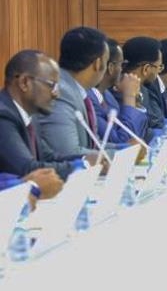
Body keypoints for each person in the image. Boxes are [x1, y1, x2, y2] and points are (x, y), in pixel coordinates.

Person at [0, 50, 98, 180]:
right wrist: (83, 166)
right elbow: (27, 169)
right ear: (24, 83)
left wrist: (86, 158)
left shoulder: (30, 114)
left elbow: (48, 157)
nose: (56, 94)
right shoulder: (3, 116)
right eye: (51, 85)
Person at [35, 27, 108, 159]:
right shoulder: (60, 92)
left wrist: (126, 149)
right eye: (107, 62)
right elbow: (67, 152)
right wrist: (120, 155)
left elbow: (94, 144)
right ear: (98, 64)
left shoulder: (77, 89)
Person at [89, 39, 149, 144]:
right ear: (111, 67)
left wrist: (135, 100)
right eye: (122, 65)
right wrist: (129, 96)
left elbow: (139, 133)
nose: (122, 70)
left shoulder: (108, 96)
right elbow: (122, 142)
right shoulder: (89, 99)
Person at [122, 37, 165, 131]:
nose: (159, 72)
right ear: (146, 69)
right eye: (158, 67)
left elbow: (157, 122)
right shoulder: (119, 90)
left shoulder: (145, 89)